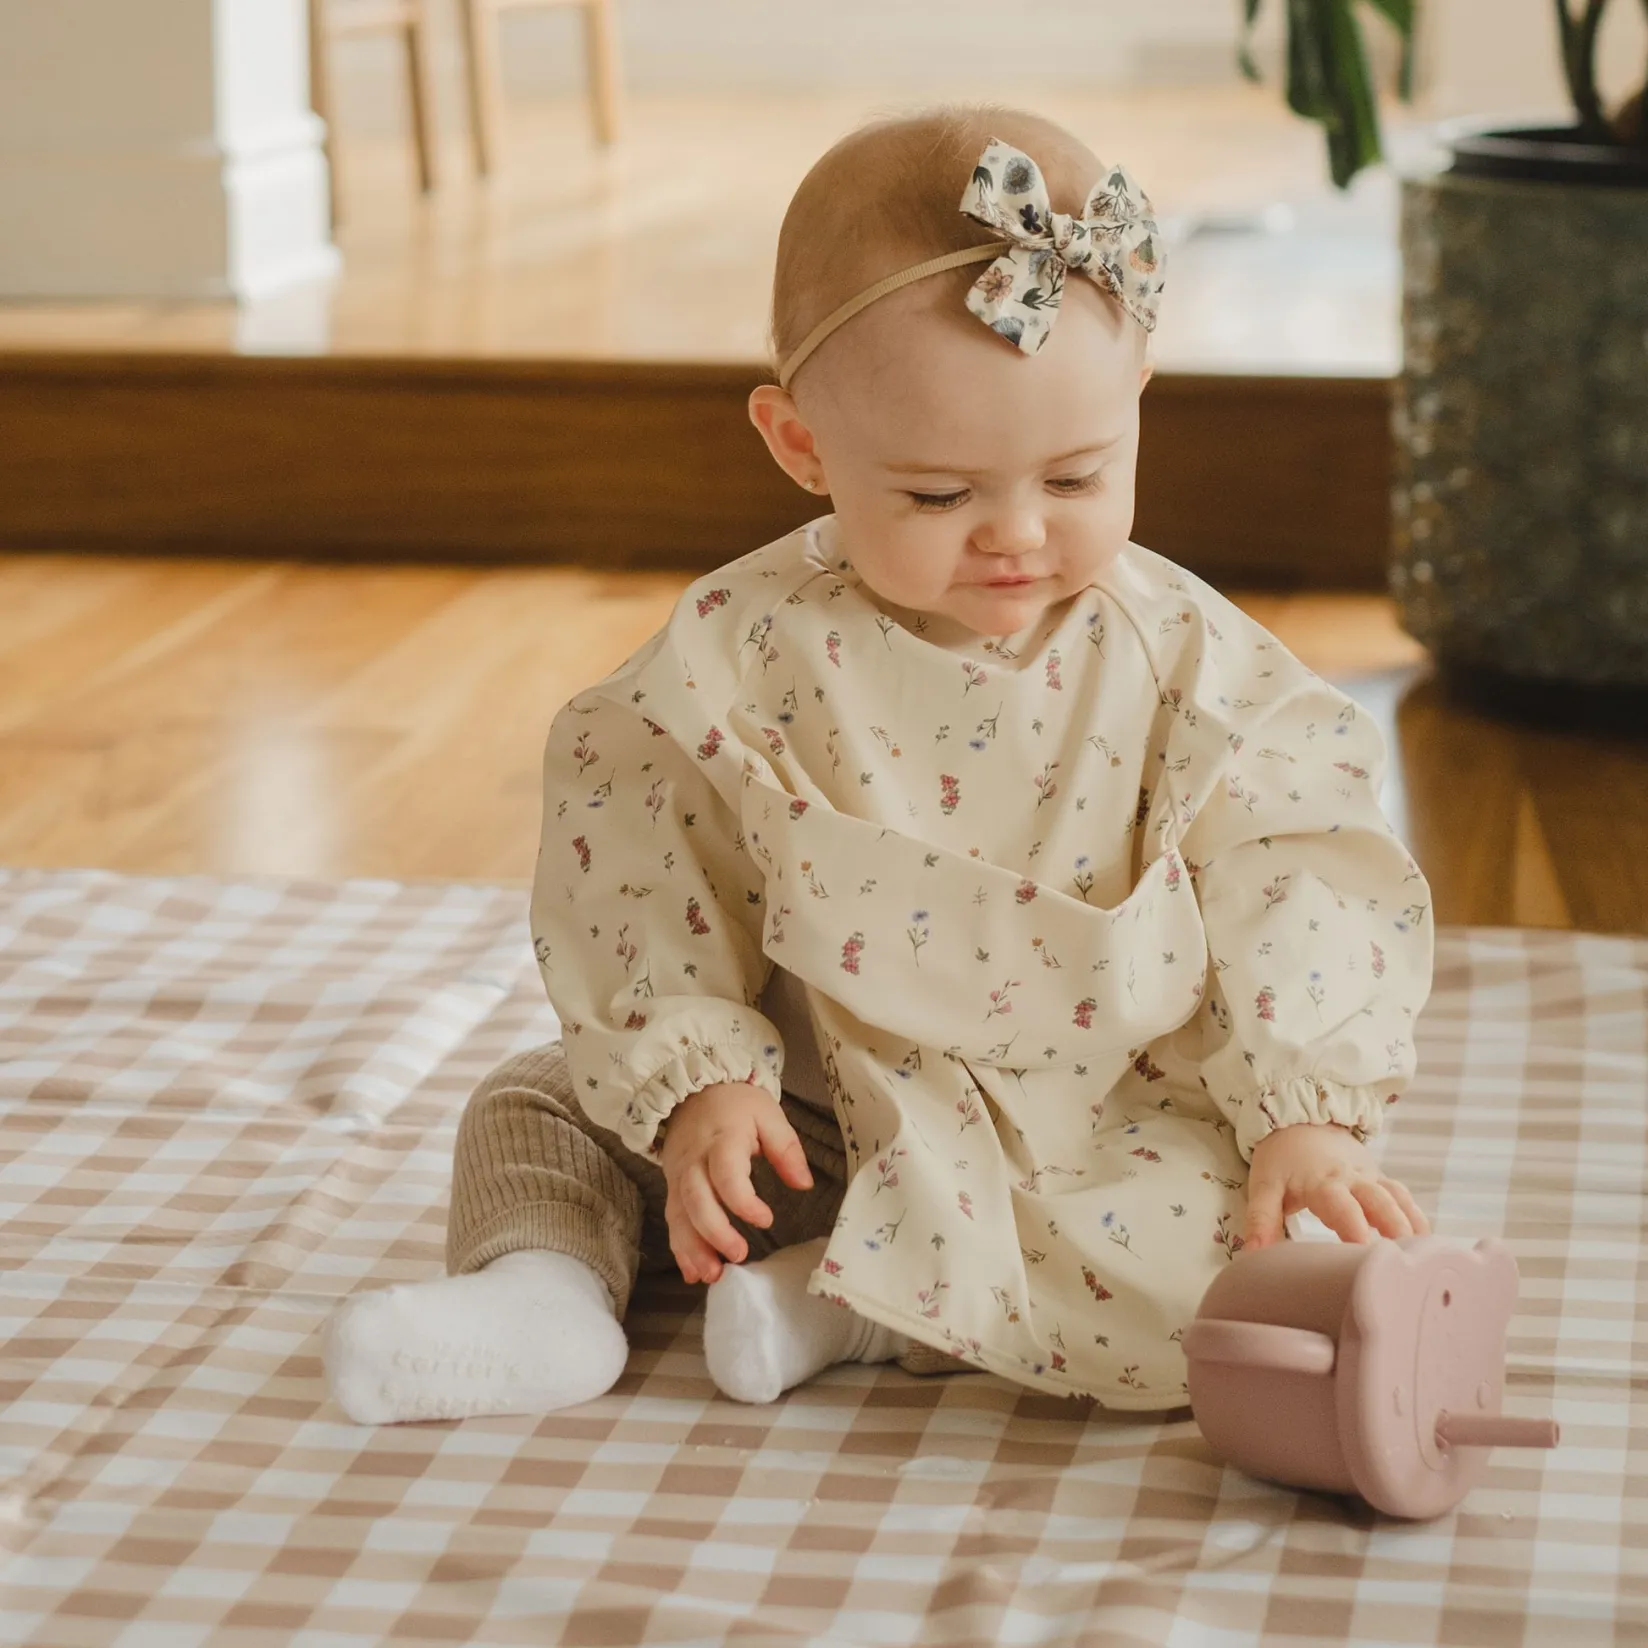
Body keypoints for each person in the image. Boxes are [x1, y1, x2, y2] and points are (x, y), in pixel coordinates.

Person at [325, 104, 1434, 1425]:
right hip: (805, 1121)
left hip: (1077, 1131)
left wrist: (1302, 1112)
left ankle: (850, 1307)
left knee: (1227, 1227)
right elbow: (639, 862)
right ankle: (542, 1292)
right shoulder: (741, 653)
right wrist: (704, 1083)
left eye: (1077, 477)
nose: (1016, 535)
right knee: (536, 1103)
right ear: (801, 444)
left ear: (1136, 396)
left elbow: (1293, 871)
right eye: (938, 496)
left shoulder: (1191, 665)